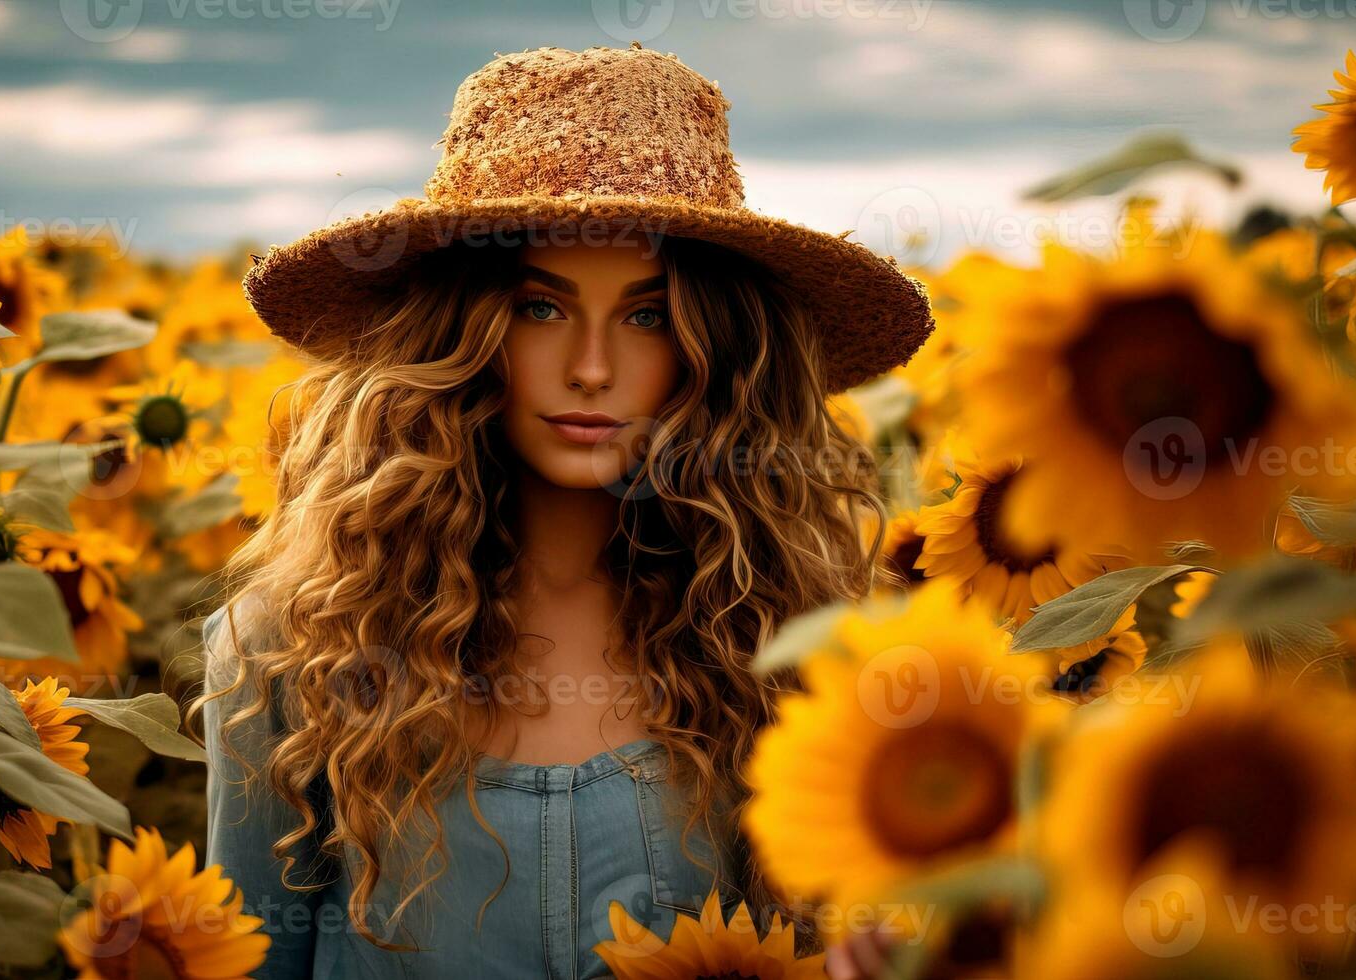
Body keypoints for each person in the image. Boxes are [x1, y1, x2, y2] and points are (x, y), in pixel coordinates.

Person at [196, 42, 932, 979]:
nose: (590, 365)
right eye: (541, 309)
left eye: (646, 314)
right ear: (459, 331)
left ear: (717, 347)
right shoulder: (294, 643)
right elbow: (250, 961)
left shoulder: (795, 642)